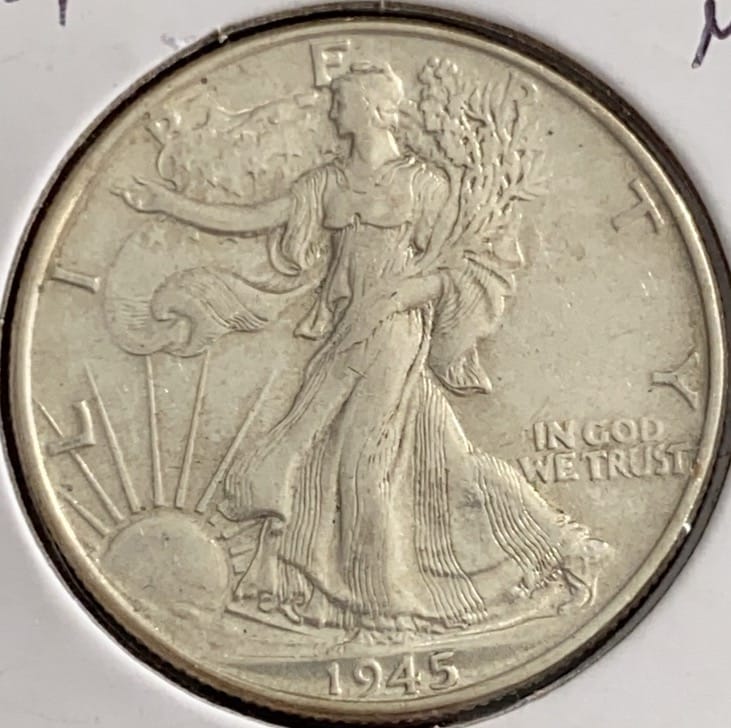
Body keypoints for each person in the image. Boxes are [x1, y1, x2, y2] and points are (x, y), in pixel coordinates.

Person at [120, 62, 604, 641]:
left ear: (373, 109)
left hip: (395, 332)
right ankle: (548, 551)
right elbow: (252, 220)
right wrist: (167, 204)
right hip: (345, 334)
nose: (332, 111)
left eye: (342, 101)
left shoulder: (424, 185)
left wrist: (406, 293)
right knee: (414, 461)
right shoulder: (326, 183)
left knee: (362, 465)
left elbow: (465, 266)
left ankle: (385, 607)